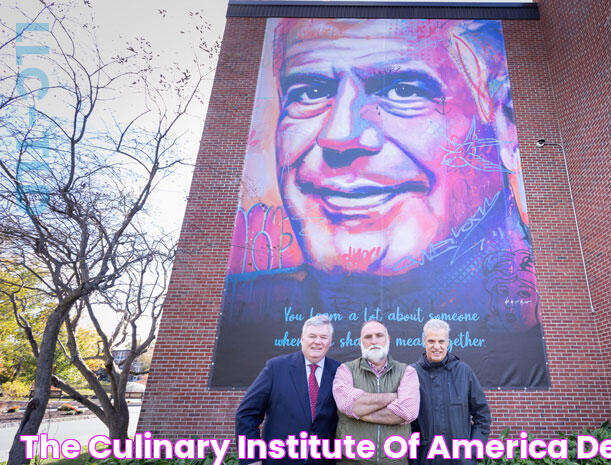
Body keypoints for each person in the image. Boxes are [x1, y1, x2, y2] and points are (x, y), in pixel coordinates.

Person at [212, 18, 549, 392]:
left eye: (403, 90)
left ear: (505, 127)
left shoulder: (548, 313)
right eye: (309, 93)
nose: (340, 136)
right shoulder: (241, 312)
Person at [235, 314, 341, 465]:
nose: (317, 341)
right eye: (312, 336)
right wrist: (251, 459)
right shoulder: (276, 368)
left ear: (330, 342)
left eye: (323, 337)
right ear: (301, 339)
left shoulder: (340, 373)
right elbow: (247, 414)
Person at [331, 320, 420, 465]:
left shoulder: (407, 372)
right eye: (368, 337)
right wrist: (392, 398)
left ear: (388, 340)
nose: (374, 341)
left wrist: (360, 412)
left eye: (379, 336)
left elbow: (408, 412)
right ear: (360, 342)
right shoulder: (345, 371)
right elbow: (347, 405)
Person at [412, 318, 491, 465]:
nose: (436, 346)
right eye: (431, 341)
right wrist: (413, 457)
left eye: (441, 341)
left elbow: (482, 415)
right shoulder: (412, 374)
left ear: (448, 343)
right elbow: (406, 423)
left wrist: (474, 449)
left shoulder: (464, 372)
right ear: (423, 342)